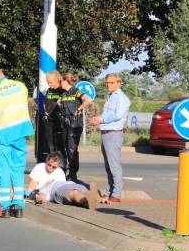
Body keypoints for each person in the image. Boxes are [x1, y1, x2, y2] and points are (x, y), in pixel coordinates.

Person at [0, 68, 34, 218]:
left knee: (3, 170)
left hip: (3, 136)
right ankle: (18, 204)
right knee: (18, 169)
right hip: (20, 134)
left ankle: (5, 206)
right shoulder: (21, 86)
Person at [90, 73, 130, 204]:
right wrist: (99, 120)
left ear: (119, 83)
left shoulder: (122, 98)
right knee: (108, 166)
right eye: (107, 83)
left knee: (114, 165)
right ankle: (108, 192)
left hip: (114, 133)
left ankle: (116, 194)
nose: (108, 85)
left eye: (111, 83)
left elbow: (117, 115)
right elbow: (108, 114)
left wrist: (100, 119)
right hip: (106, 132)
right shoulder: (110, 96)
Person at [27, 152, 96, 210]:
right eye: (49, 165)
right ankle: (86, 201)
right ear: (46, 161)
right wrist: (39, 196)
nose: (50, 168)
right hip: (54, 189)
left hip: (68, 183)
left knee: (80, 189)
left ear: (58, 166)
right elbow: (33, 188)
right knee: (73, 192)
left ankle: (94, 198)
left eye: (54, 167)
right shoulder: (40, 167)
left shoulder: (60, 171)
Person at [57, 72, 92, 182]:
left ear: (65, 80)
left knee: (72, 150)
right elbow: (59, 103)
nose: (59, 83)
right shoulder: (64, 94)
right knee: (64, 149)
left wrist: (79, 108)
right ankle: (63, 173)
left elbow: (88, 100)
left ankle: (72, 175)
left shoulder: (76, 91)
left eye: (60, 81)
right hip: (65, 124)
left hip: (75, 125)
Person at [42, 70, 64, 157]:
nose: (49, 85)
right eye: (48, 83)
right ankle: (52, 162)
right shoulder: (49, 90)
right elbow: (46, 102)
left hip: (59, 121)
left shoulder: (63, 91)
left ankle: (61, 166)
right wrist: (45, 110)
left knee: (59, 145)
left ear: (57, 79)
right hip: (49, 121)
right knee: (50, 145)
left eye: (51, 82)